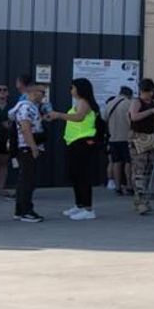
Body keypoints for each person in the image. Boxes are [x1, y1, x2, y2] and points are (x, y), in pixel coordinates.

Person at [46, 78, 102, 221]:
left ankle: (88, 209)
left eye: (72, 87)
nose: (71, 90)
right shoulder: (80, 102)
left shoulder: (84, 102)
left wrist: (58, 115)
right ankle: (80, 205)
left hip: (83, 142)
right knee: (76, 175)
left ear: (80, 88)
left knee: (82, 175)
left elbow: (78, 117)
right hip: (74, 143)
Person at [9, 81, 46, 223]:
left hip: (26, 147)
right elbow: (25, 128)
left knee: (25, 180)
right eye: (42, 92)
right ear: (34, 92)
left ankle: (20, 210)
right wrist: (33, 147)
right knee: (27, 181)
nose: (43, 95)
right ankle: (26, 211)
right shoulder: (26, 107)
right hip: (27, 148)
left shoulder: (32, 108)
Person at [127, 79, 154, 215]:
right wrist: (151, 111)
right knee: (139, 169)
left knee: (149, 169)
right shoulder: (136, 102)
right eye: (147, 91)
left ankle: (142, 199)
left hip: (151, 137)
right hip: (138, 137)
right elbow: (134, 117)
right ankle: (141, 200)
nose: (150, 94)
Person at [103, 85, 133, 195]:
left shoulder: (109, 104)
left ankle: (117, 187)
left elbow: (104, 118)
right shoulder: (129, 104)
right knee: (128, 162)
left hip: (113, 138)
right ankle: (129, 185)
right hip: (126, 137)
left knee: (116, 162)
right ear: (129, 94)